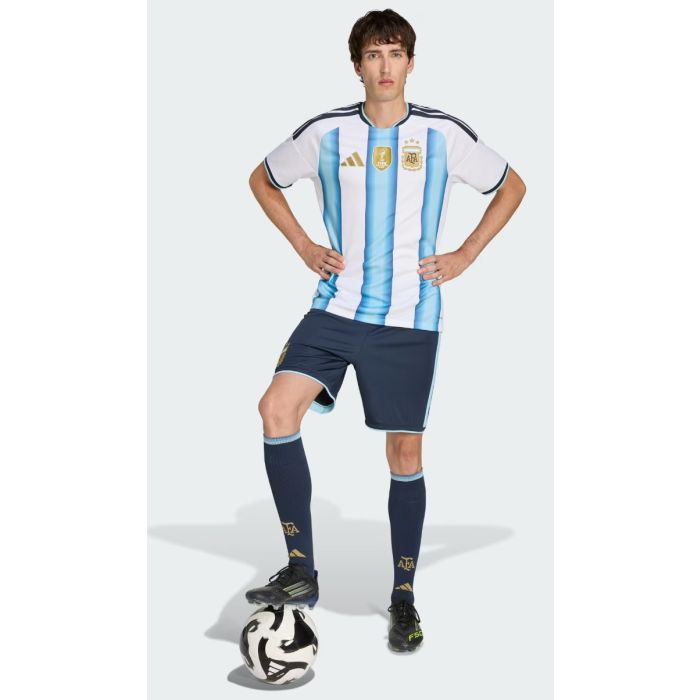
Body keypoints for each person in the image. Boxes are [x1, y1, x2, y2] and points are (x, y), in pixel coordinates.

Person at [245, 8, 526, 653]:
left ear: (411, 63)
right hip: (335, 308)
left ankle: (403, 597)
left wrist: (465, 254)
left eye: (396, 53)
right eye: (374, 54)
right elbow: (262, 179)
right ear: (357, 66)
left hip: (408, 318)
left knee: (404, 455)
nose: (385, 66)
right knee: (275, 409)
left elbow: (512, 186)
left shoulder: (442, 134)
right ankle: (300, 569)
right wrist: (303, 245)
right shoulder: (325, 132)